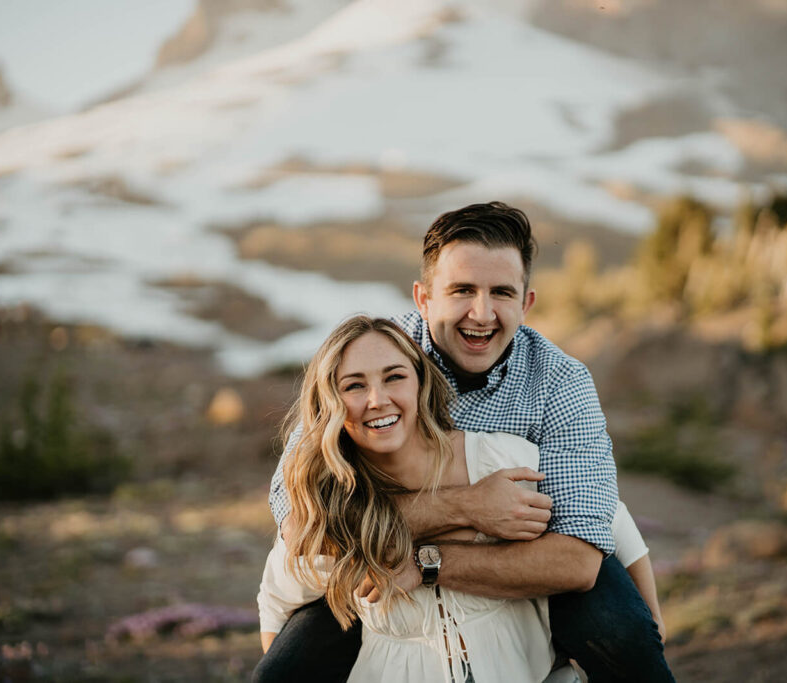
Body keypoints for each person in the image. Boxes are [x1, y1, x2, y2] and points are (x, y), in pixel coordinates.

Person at [256, 202, 674, 682]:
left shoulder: (560, 384)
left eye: (501, 292)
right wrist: (466, 507)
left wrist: (426, 561)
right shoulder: (374, 362)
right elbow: (299, 521)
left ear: (526, 303)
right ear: (424, 298)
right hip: (373, 566)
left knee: (623, 633)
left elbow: (581, 553)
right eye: (462, 291)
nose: (482, 312)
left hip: (514, 560)